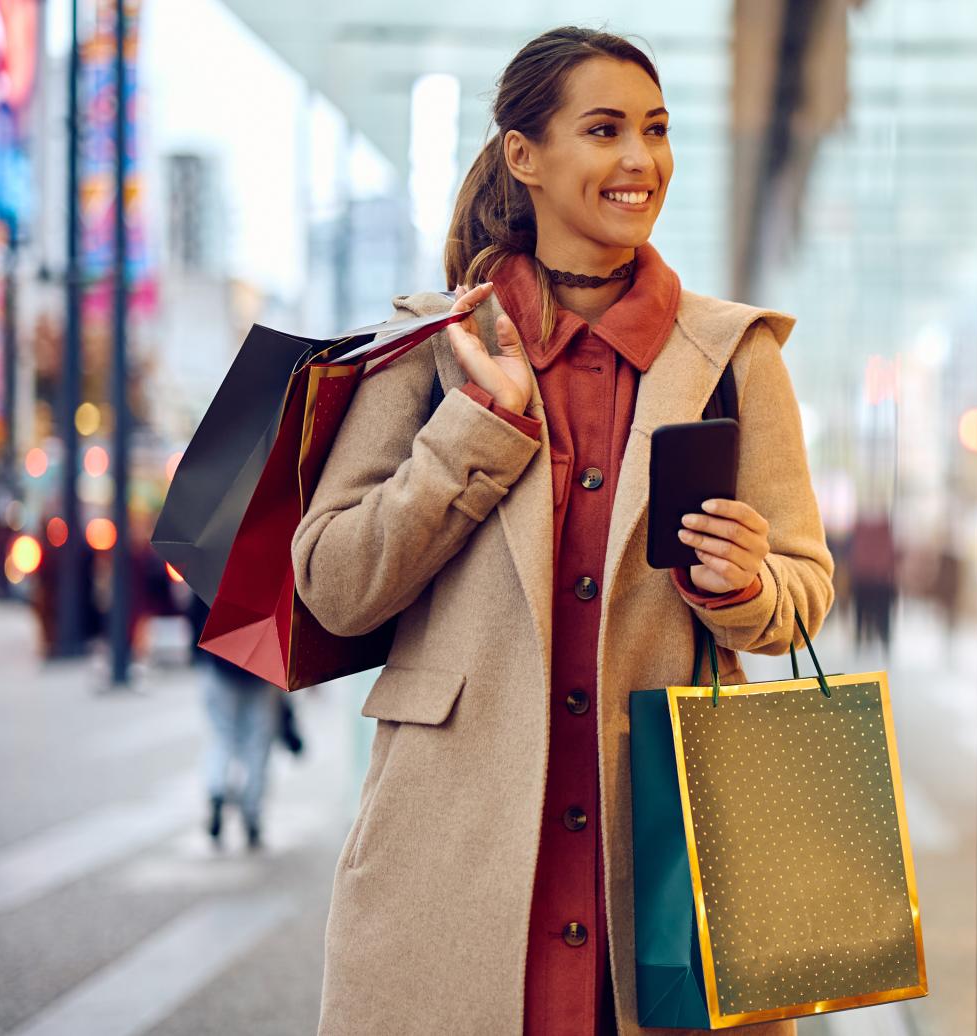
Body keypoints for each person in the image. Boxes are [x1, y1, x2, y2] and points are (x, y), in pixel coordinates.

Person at [290, 28, 832, 1036]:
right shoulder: (427, 348)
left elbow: (804, 584)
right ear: (523, 156)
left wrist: (748, 586)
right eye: (605, 130)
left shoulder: (733, 356)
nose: (640, 160)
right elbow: (333, 582)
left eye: (657, 131)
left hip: (672, 855)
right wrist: (473, 432)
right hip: (454, 850)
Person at [185, 593, 282, 850]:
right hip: (261, 667)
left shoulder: (213, 565)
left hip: (219, 664)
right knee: (258, 745)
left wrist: (196, 654)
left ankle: (216, 790)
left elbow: (194, 616)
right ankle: (252, 812)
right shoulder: (271, 572)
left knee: (221, 736)